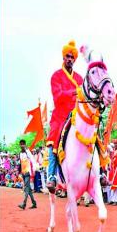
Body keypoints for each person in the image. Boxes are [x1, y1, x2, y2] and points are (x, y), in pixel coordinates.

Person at [46, 40, 83, 193]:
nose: (69, 59)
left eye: (72, 57)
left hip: (76, 114)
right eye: (67, 56)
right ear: (63, 57)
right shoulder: (56, 76)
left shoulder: (80, 78)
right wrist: (73, 92)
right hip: (60, 116)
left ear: (74, 59)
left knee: (93, 133)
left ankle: (99, 171)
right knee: (54, 138)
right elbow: (57, 97)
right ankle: (52, 176)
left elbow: (84, 97)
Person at [18, 140, 37, 210]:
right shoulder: (20, 153)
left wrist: (35, 168)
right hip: (23, 172)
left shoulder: (27, 152)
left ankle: (24, 203)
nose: (21, 145)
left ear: (25, 145)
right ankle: (34, 203)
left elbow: (32, 159)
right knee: (28, 189)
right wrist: (19, 171)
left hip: (28, 172)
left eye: (23, 144)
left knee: (26, 187)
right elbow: (20, 163)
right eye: (20, 144)